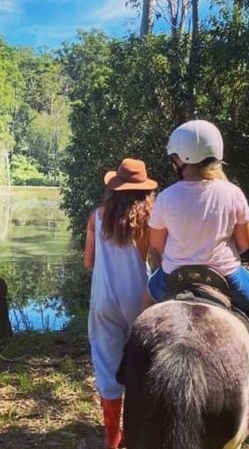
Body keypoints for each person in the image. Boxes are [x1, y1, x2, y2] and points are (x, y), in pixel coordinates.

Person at [146, 120, 249, 390]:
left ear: (181, 158)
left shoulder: (166, 197)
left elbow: (157, 243)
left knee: (146, 298)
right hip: (226, 277)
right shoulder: (233, 193)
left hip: (173, 278)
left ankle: (133, 359)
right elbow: (246, 241)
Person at [84, 158, 157, 449]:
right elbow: (158, 258)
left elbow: (89, 262)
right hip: (141, 298)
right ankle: (140, 430)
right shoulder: (150, 218)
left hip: (104, 298)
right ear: (144, 191)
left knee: (106, 364)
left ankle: (113, 436)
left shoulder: (97, 217)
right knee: (144, 364)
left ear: (114, 190)